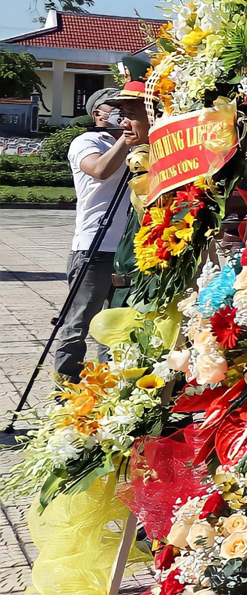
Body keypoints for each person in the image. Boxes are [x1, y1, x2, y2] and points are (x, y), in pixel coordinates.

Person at [55, 86, 145, 382]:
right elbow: (100, 170)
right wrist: (126, 139)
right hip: (94, 246)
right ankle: (65, 387)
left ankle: (109, 387)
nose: (123, 117)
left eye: (129, 112)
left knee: (117, 325)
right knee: (78, 323)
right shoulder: (88, 141)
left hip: (130, 248)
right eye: (116, 110)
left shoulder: (139, 143)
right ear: (98, 113)